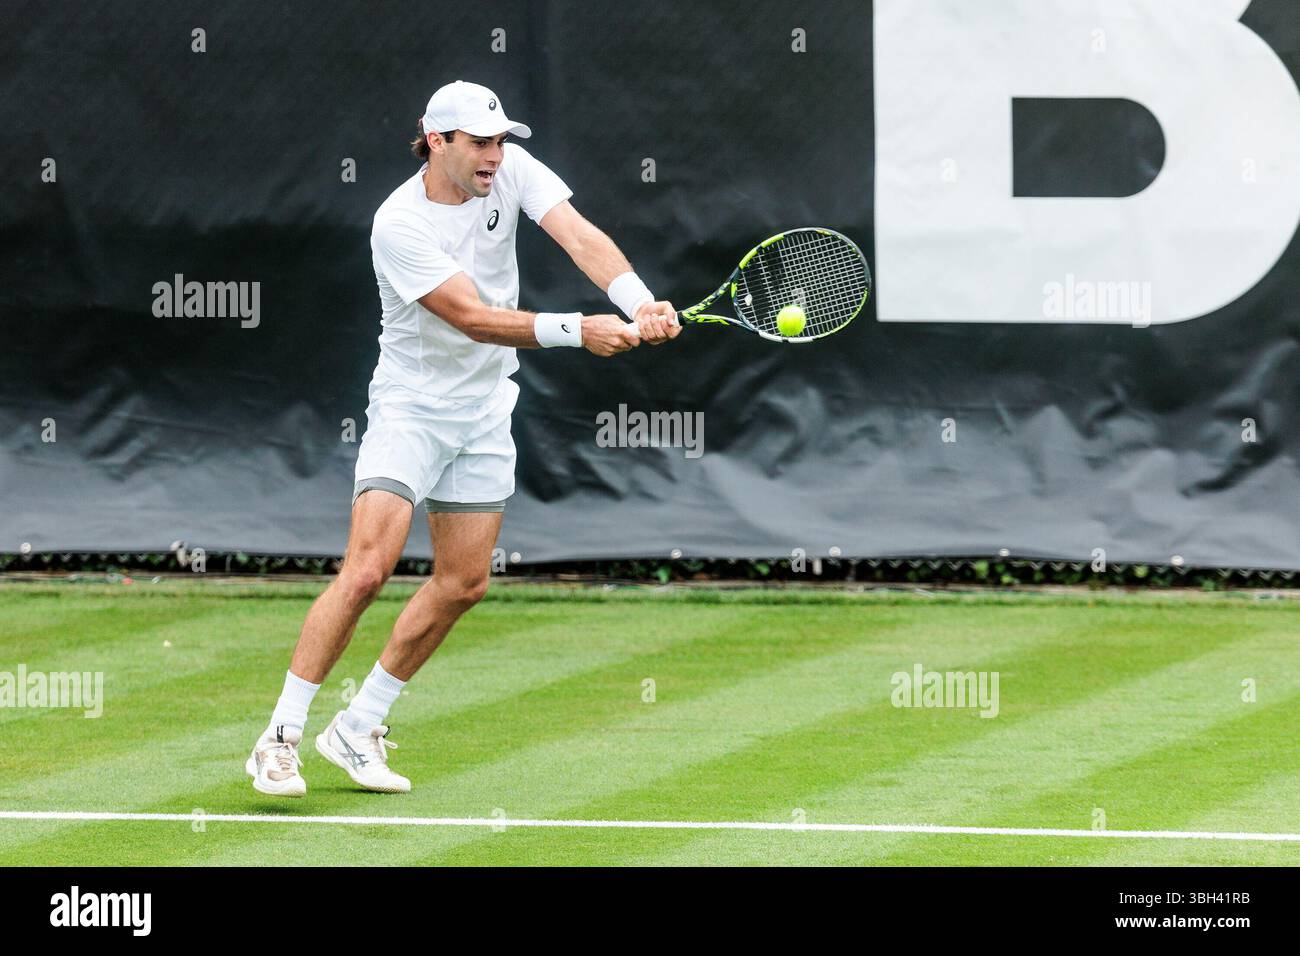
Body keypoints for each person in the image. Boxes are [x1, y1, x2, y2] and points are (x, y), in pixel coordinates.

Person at [246, 80, 679, 797]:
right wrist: (580, 330)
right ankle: (280, 736)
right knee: (366, 570)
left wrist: (637, 302)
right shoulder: (398, 223)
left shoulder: (509, 172)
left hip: (484, 410)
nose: (493, 155)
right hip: (411, 410)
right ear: (435, 139)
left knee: (463, 582)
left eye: (500, 140)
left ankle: (357, 728)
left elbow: (576, 234)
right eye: (478, 142)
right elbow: (472, 318)